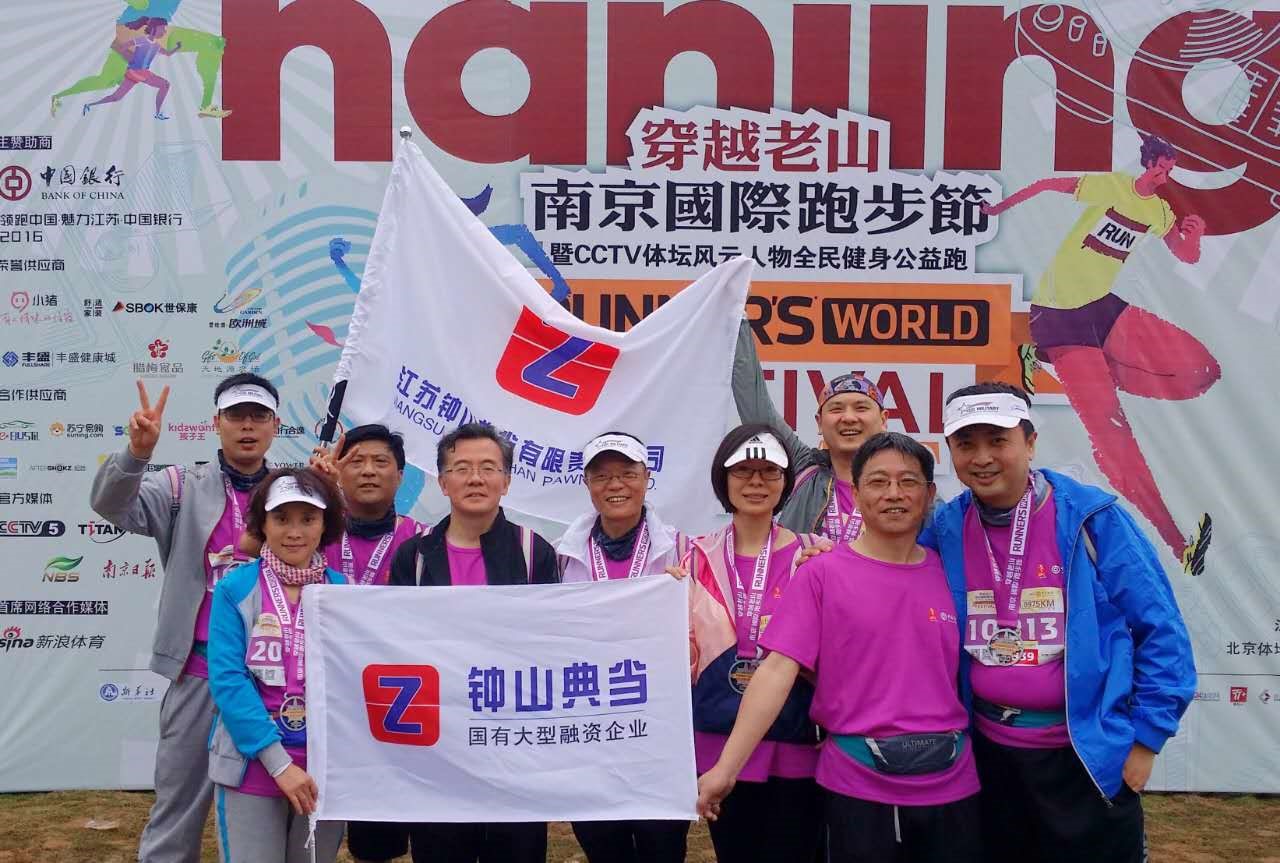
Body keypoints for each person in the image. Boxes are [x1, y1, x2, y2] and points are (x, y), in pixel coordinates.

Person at [921, 382, 1196, 863]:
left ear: (1030, 443)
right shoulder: (946, 527)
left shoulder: (1092, 518)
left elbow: (1160, 629)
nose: (982, 458)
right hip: (987, 756)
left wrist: (1146, 740)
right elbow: (891, 576)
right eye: (966, 444)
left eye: (998, 440)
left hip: (1084, 756)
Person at [698, 432, 982, 863]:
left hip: (953, 783)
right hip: (857, 786)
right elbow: (776, 672)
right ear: (857, 493)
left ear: (929, 495)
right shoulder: (821, 573)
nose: (894, 494)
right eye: (878, 482)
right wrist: (726, 768)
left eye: (907, 482)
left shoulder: (954, 574)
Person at [983, 134, 1216, 573]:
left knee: (1201, 370)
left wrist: (1195, 234)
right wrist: (997, 209)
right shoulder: (1111, 186)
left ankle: (1045, 358)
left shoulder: (1159, 210)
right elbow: (1047, 185)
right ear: (1147, 162)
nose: (1163, 176)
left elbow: (1184, 254)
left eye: (1169, 171)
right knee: (1114, 437)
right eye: (1160, 167)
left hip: (1101, 308)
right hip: (1059, 315)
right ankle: (1179, 544)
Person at [90, 372, 281, 863]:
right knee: (177, 810)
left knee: (277, 807)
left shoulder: (291, 491)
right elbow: (111, 505)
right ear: (216, 423)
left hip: (275, 679)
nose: (247, 426)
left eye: (258, 416)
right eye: (236, 415)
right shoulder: (181, 485)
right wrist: (136, 454)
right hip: (200, 672)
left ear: (275, 426)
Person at [386, 422, 559, 863]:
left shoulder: (534, 551)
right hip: (439, 747)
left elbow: (552, 646)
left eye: (488, 468)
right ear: (443, 482)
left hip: (513, 746)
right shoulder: (414, 556)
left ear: (507, 481)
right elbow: (396, 647)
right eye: (461, 469)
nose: (475, 479)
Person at [687, 424, 824, 863]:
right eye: (743, 471)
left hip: (795, 745)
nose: (756, 482)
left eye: (769, 471)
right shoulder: (693, 558)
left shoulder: (815, 555)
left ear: (786, 481)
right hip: (716, 745)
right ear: (723, 479)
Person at [556, 431, 691, 862]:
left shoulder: (683, 549)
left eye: (627, 474)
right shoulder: (562, 555)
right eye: (602, 476)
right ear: (587, 484)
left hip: (658, 735)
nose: (615, 485)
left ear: (647, 478)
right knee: (602, 847)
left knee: (662, 848)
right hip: (590, 732)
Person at [207, 469, 347, 862]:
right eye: (281, 518)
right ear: (262, 524)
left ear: (325, 524)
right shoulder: (235, 588)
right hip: (251, 764)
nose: (294, 532)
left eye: (308, 519)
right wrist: (279, 764)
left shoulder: (343, 592)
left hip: (322, 770)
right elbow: (229, 681)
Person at [732, 319, 887, 540]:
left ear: (883, 419)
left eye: (861, 408)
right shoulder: (802, 467)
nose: (848, 418)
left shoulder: (904, 481)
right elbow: (754, 401)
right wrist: (737, 318)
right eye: (836, 409)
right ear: (819, 422)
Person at [51, 0, 231, 119]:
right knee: (106, 81)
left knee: (214, 43)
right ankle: (59, 96)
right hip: (131, 33)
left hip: (161, 31)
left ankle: (206, 106)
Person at [81, 20, 181, 120]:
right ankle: (158, 113)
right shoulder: (142, 40)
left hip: (135, 74)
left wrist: (177, 47)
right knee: (165, 85)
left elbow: (167, 54)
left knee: (116, 97)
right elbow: (123, 47)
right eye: (162, 28)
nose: (164, 31)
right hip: (137, 72)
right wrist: (129, 57)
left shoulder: (157, 46)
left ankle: (89, 105)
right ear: (154, 28)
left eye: (165, 29)